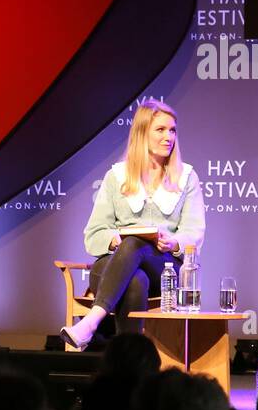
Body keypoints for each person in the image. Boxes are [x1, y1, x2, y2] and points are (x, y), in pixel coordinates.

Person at [61, 99, 205, 348]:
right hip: (112, 266)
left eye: (172, 130)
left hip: (163, 268)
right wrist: (118, 239)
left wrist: (173, 241)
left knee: (136, 245)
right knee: (135, 277)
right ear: (141, 133)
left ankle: (91, 322)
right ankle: (133, 369)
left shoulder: (186, 178)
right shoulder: (116, 177)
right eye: (160, 130)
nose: (168, 137)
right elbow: (93, 235)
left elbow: (194, 233)